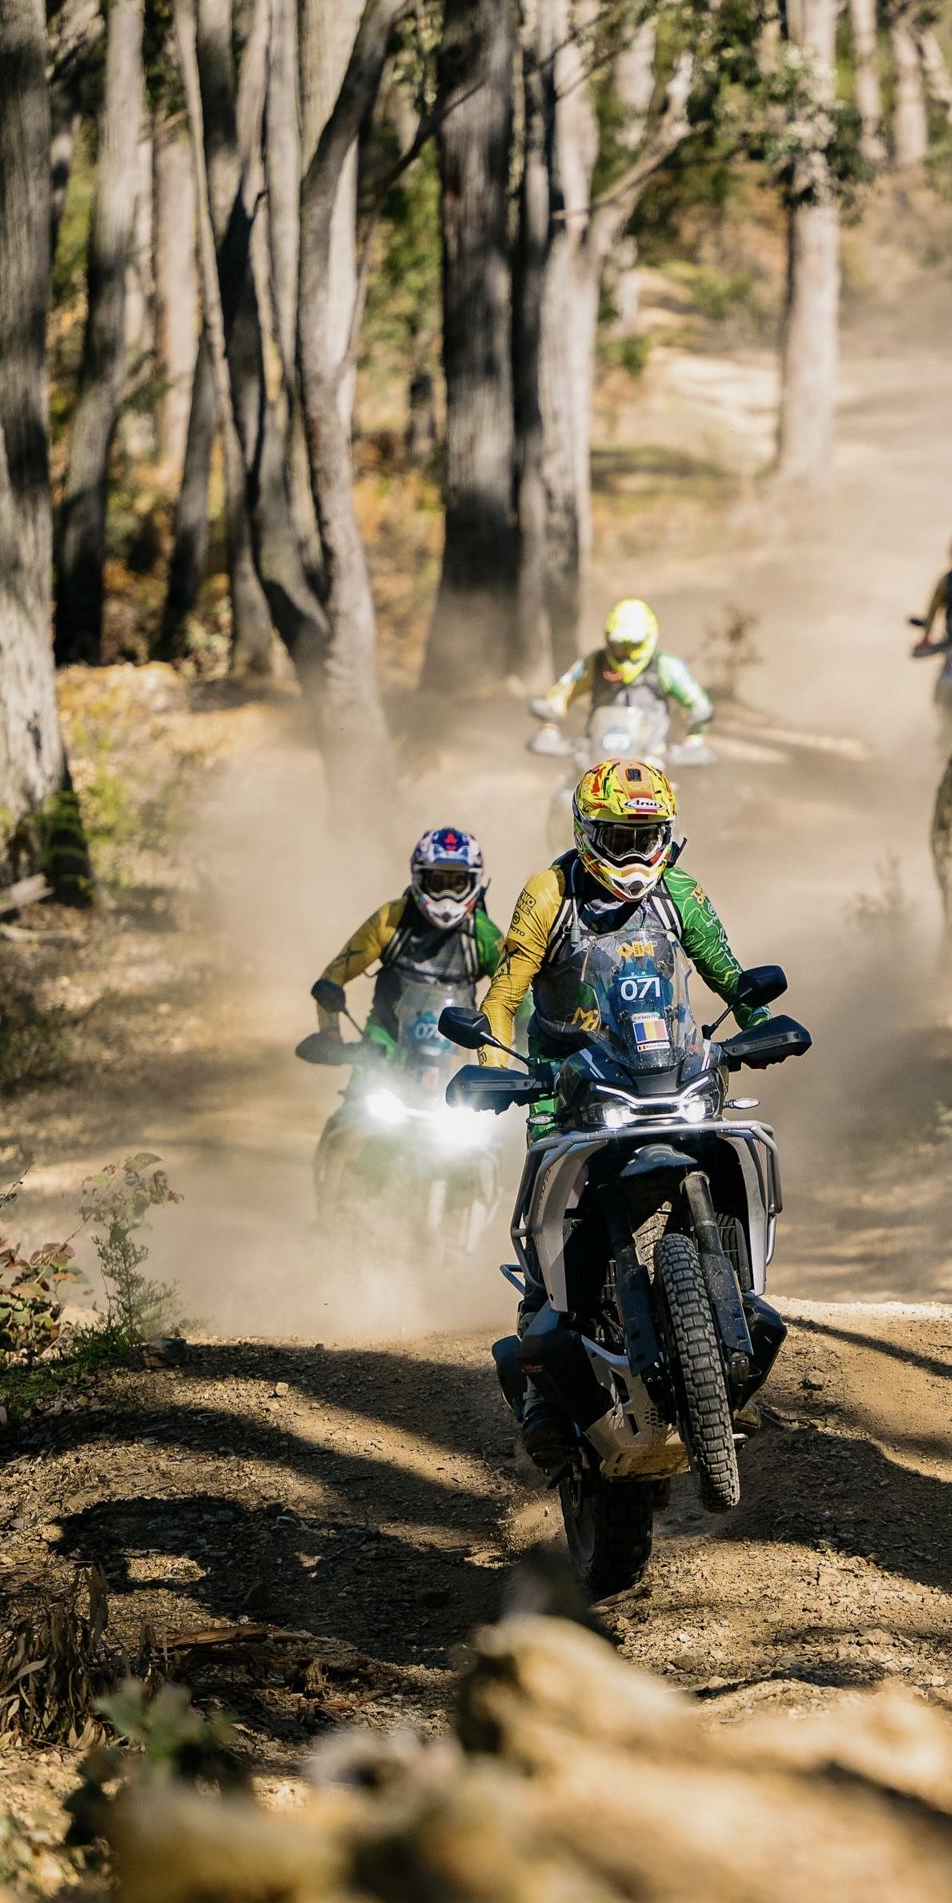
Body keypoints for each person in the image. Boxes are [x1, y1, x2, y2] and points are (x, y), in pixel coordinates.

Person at [477, 758, 768, 1470]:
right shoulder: (549, 894)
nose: (636, 856)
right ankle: (543, 1396)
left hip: (666, 1072)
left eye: (648, 837)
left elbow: (729, 976)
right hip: (567, 1087)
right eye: (619, 838)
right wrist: (498, 1070)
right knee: (548, 1237)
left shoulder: (679, 892)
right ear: (586, 833)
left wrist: (761, 1025)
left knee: (726, 1161)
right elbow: (503, 995)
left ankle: (731, 1336)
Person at [313, 827, 503, 1053]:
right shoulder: (389, 919)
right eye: (438, 882)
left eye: (457, 883)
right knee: (362, 1072)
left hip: (453, 1052)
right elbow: (334, 976)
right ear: (420, 877)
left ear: (474, 882)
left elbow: (518, 993)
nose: (447, 895)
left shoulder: (484, 932)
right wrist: (330, 1035)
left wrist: (521, 1051)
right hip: (383, 1047)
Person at [530, 597, 715, 743]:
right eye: (618, 646)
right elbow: (562, 692)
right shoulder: (595, 663)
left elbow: (699, 705)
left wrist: (693, 740)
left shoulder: (666, 666)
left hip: (653, 759)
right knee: (568, 782)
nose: (624, 654)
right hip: (596, 756)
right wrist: (549, 727)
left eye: (632, 646)